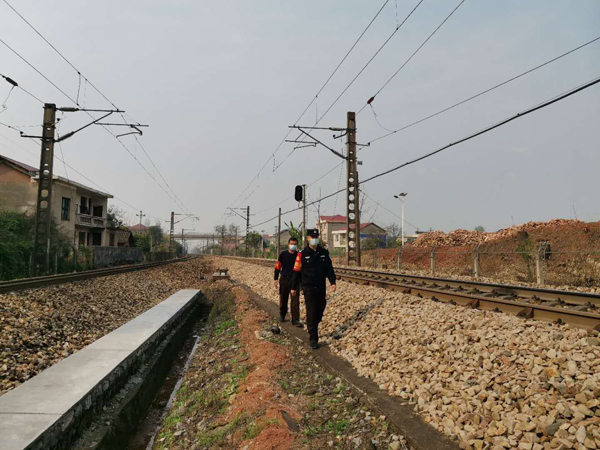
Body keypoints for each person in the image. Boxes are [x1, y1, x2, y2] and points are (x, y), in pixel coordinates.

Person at [291, 229, 336, 349]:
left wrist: (332, 282)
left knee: (321, 307)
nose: (314, 239)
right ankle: (313, 338)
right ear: (308, 238)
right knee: (311, 311)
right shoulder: (302, 254)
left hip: (321, 286)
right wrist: (293, 287)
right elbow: (296, 271)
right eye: (312, 237)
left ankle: (313, 323)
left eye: (316, 237)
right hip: (308, 287)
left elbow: (329, 268)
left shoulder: (323, 252)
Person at [274, 237, 302, 326]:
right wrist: (275, 278)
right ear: (288, 244)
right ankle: (282, 314)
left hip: (295, 280)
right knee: (283, 298)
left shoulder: (299, 256)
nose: (293, 246)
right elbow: (278, 267)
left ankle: (295, 319)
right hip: (284, 279)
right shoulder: (283, 255)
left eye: (295, 244)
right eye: (291, 244)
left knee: (295, 300)